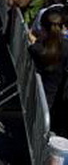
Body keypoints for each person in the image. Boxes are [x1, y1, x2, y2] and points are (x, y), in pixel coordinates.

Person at [28, 7, 68, 137]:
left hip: (43, 98)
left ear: (43, 28)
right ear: (63, 27)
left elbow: (36, 47)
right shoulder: (65, 47)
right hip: (59, 101)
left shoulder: (37, 49)